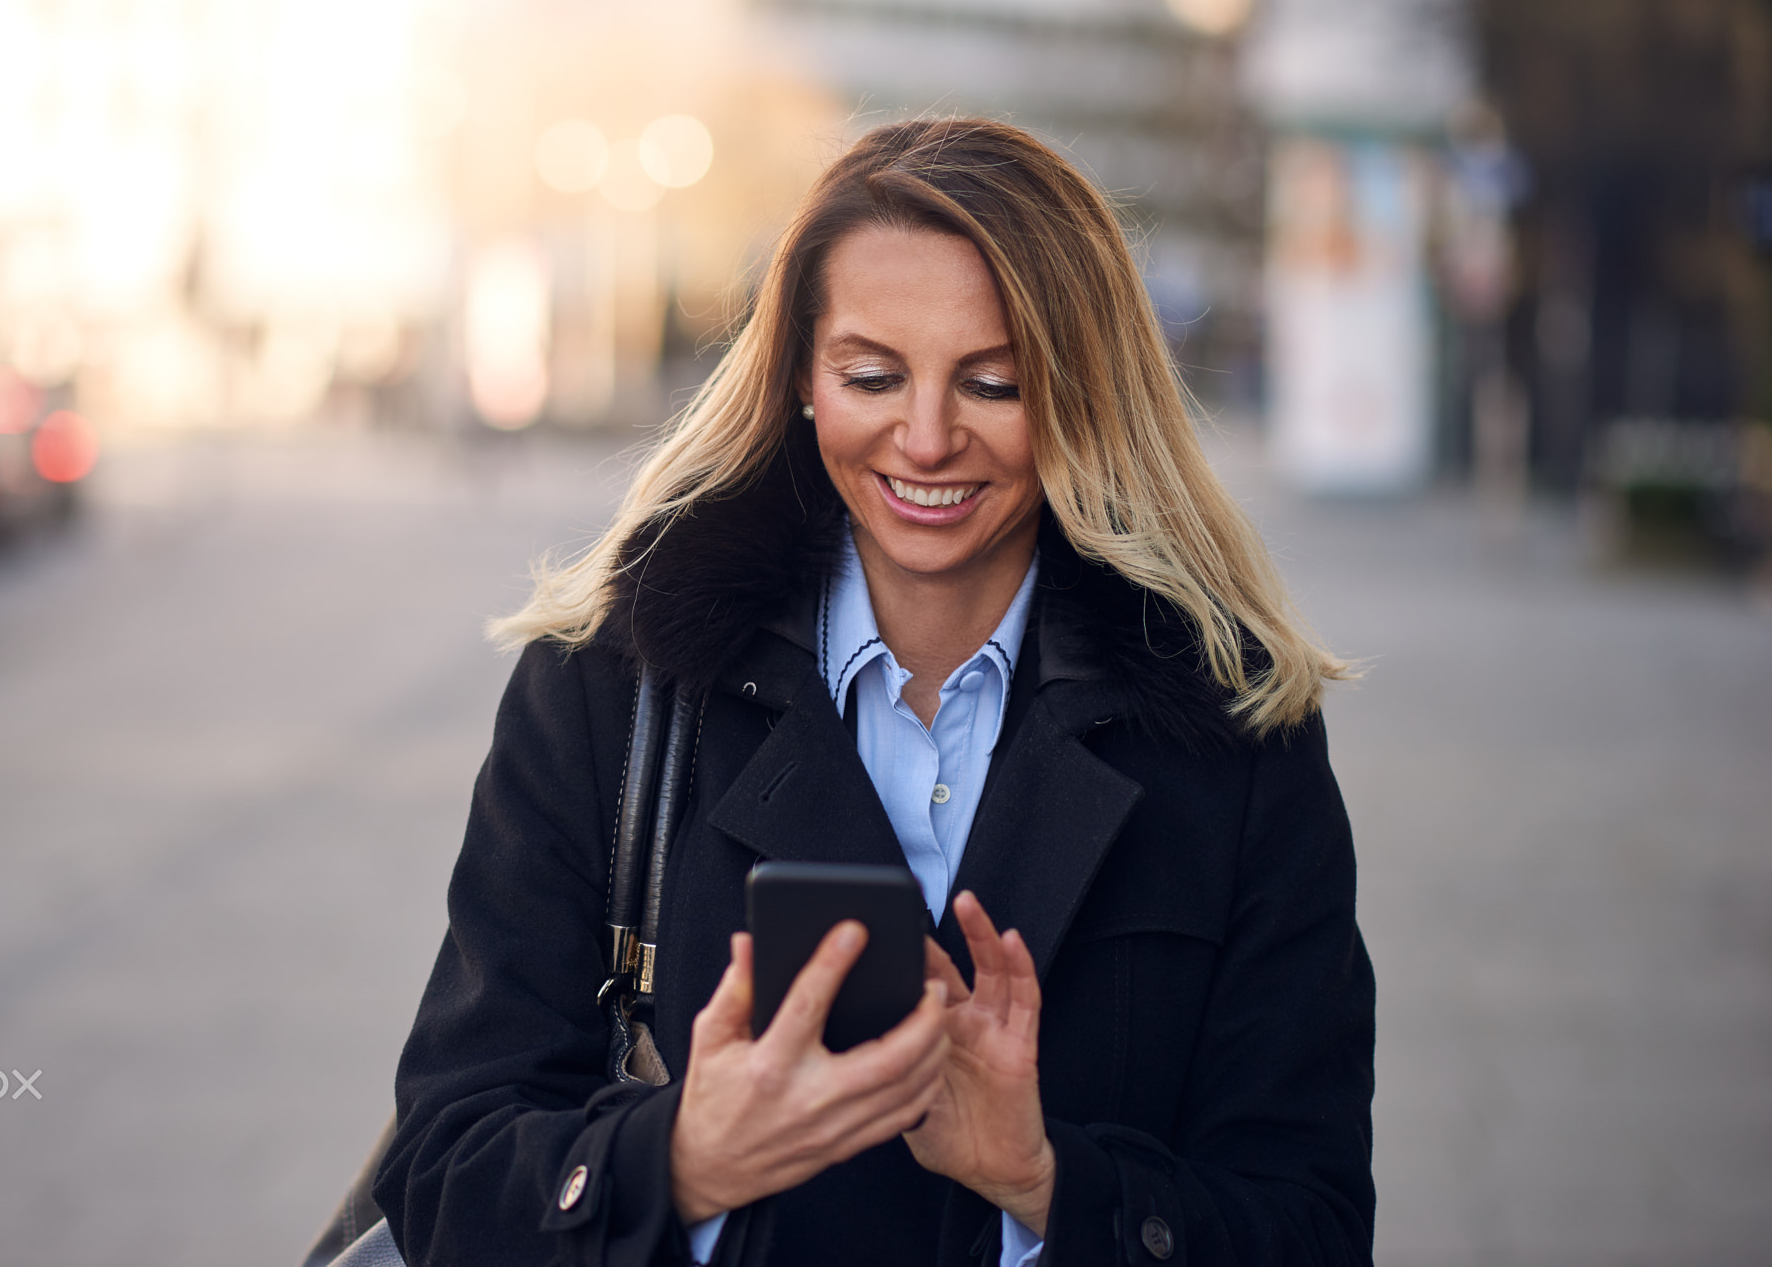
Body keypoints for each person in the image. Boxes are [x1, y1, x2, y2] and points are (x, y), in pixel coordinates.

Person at [372, 119, 1374, 1266]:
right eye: (871, 374)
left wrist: (1047, 1181)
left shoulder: (1232, 733)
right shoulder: (612, 687)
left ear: (1082, 393)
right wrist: (683, 1157)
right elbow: (444, 1165)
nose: (929, 436)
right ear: (801, 374)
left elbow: (1312, 1225)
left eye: (993, 382)